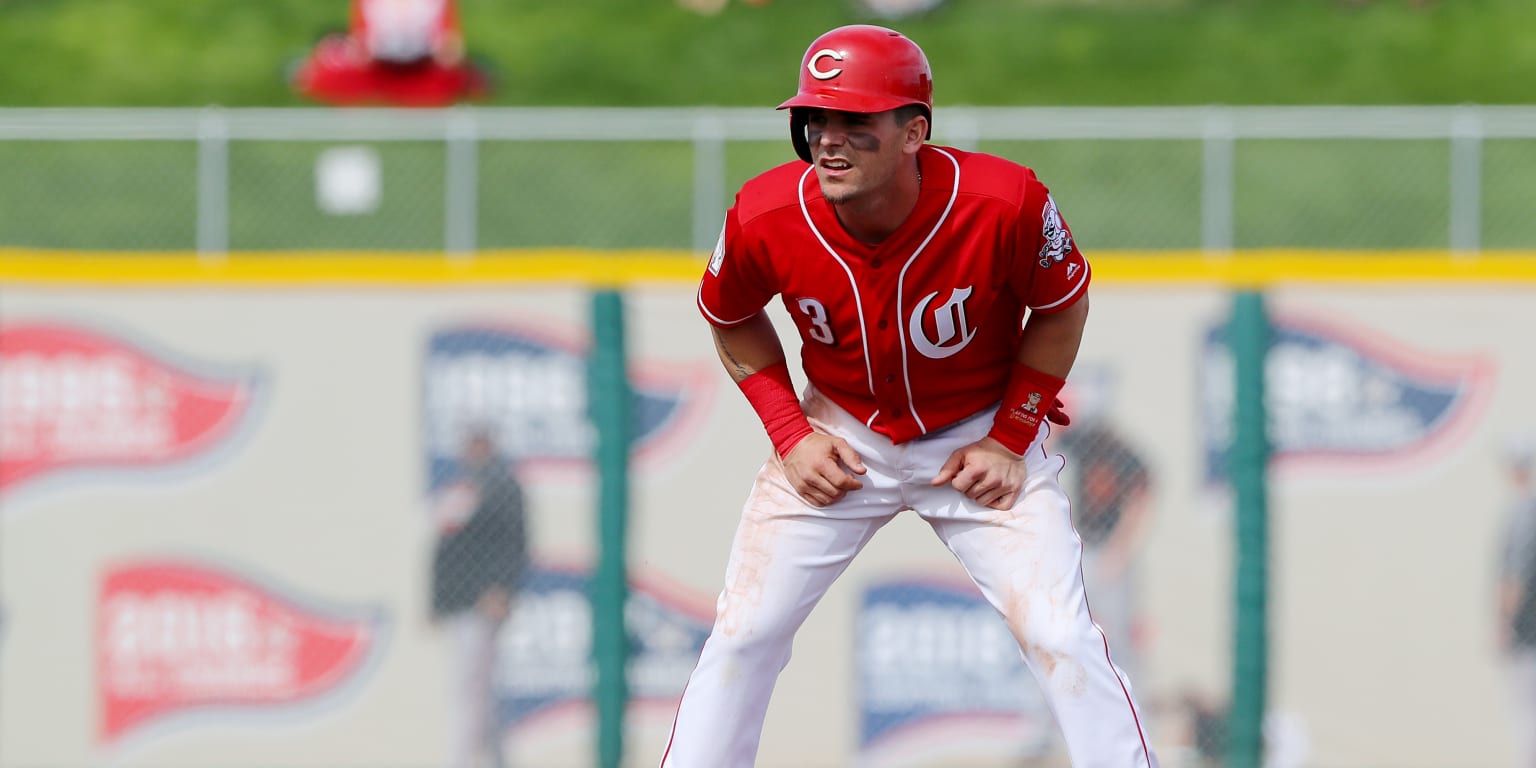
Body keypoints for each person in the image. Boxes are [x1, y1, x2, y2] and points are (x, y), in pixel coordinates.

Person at [662, 24, 1157, 768]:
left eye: (855, 122)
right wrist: (789, 432)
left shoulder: (1004, 200)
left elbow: (1062, 305)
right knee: (742, 633)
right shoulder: (766, 213)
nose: (828, 140)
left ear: (914, 131)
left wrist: (1012, 435)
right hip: (841, 433)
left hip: (979, 434)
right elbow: (729, 317)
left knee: (1060, 633)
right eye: (815, 120)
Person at [430, 427, 529, 768]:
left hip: (482, 604)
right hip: (462, 604)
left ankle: (464, 760)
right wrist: (437, 601)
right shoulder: (465, 487)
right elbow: (445, 549)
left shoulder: (501, 486)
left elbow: (513, 544)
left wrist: (501, 587)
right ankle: (494, 760)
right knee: (478, 690)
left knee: (473, 690)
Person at [1056, 414, 1153, 680]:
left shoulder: (1124, 454)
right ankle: (1053, 711)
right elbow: (1052, 455)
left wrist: (1119, 550)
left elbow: (1140, 499)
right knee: (1062, 631)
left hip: (1110, 551)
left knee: (1120, 637)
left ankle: (1132, 702)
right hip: (1081, 546)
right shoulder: (1079, 440)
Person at [291, 0, 489, 107]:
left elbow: (451, 47)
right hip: (377, 68)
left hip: (422, 67)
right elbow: (361, 42)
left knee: (468, 78)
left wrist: (445, 52)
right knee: (325, 71)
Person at [1497, 435, 1536, 768]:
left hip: (1527, 635)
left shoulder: (1523, 514)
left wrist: (1504, 625)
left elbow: (1515, 577)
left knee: (1527, 717)